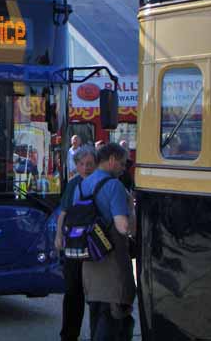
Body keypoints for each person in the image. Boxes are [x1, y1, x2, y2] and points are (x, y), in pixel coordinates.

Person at [79, 142, 136, 341]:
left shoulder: (83, 183)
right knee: (112, 323)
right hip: (112, 267)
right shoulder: (115, 186)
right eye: (122, 164)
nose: (123, 168)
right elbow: (123, 227)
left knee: (96, 318)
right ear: (111, 160)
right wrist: (131, 207)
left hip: (89, 263)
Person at [56, 146, 97, 341]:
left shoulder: (101, 183)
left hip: (95, 245)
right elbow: (63, 213)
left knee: (96, 294)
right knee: (73, 291)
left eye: (90, 164)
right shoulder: (73, 185)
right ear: (77, 165)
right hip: (74, 244)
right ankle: (69, 335)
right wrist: (58, 237)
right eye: (82, 164)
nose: (86, 167)